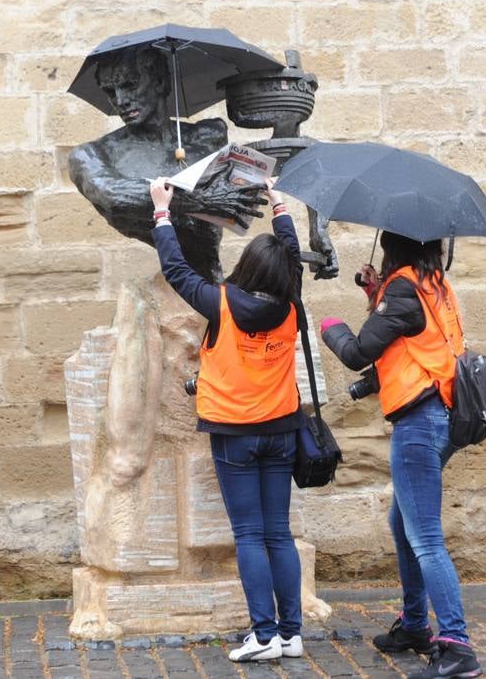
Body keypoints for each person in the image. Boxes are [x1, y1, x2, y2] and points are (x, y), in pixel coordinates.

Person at [148, 175, 305, 663]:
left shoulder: (222, 303)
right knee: (278, 533)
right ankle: (291, 633)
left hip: (235, 435)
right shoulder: (291, 304)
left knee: (250, 535)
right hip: (281, 430)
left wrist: (161, 212)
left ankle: (263, 635)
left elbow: (176, 270)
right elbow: (293, 256)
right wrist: (278, 201)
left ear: (247, 268)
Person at [318, 232, 483, 679]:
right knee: (401, 522)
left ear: (394, 248)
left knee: (426, 538)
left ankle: (457, 647)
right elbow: (411, 339)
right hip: (443, 416)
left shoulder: (405, 290)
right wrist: (377, 295)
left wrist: (329, 326)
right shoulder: (434, 284)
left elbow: (358, 353)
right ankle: (414, 626)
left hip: (419, 423)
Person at [68, 46, 267, 281]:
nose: (120, 100)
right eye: (110, 91)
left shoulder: (209, 136)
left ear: (161, 82)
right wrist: (201, 201)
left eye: (130, 85)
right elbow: (113, 197)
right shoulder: (92, 154)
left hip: (210, 283)